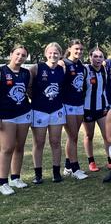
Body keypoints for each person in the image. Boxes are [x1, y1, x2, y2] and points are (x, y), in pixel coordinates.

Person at [29, 43, 66, 184]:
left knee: (56, 142)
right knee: (39, 143)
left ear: (60, 54)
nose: (53, 55)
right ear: (46, 53)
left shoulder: (62, 69)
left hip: (56, 110)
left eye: (56, 53)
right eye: (50, 53)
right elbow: (29, 86)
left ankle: (56, 173)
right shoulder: (37, 68)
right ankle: (38, 175)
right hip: (39, 110)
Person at [0, 45, 32, 195]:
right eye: (17, 54)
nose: (20, 57)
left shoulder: (26, 73)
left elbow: (29, 90)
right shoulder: (2, 71)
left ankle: (15, 178)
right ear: (11, 54)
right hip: (7, 115)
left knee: (20, 147)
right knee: (7, 148)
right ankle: (3, 182)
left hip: (24, 112)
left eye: (23, 55)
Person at [59, 40, 88, 180]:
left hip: (79, 104)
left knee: (73, 136)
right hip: (67, 104)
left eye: (81, 49)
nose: (79, 51)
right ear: (69, 48)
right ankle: (75, 168)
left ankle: (67, 166)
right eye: (76, 48)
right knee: (73, 136)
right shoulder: (63, 63)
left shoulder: (81, 66)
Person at [82, 47, 109, 173]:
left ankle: (110, 160)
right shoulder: (85, 69)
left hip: (102, 108)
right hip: (88, 108)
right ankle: (91, 161)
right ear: (90, 57)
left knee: (107, 135)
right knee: (89, 135)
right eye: (95, 56)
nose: (98, 59)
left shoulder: (105, 69)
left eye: (100, 56)